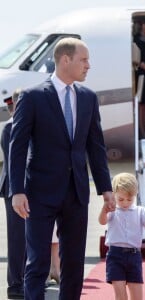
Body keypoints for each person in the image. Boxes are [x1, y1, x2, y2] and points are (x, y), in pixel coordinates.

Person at [9, 37, 115, 300]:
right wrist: (17, 191)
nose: (88, 65)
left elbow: (96, 147)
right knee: (38, 263)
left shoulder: (88, 98)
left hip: (76, 193)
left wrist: (106, 188)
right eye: (84, 60)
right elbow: (18, 146)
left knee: (74, 264)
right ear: (65, 60)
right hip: (39, 194)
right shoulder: (32, 97)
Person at [99, 172, 145, 300]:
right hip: (115, 256)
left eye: (130, 199)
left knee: (137, 296)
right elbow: (102, 221)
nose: (125, 203)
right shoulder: (113, 210)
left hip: (134, 256)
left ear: (135, 195)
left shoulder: (140, 211)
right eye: (121, 199)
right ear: (114, 195)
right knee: (120, 296)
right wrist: (104, 210)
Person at [0, 90, 26, 300]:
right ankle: (15, 285)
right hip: (14, 189)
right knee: (17, 238)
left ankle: (25, 279)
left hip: (25, 189)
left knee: (28, 237)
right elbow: (14, 162)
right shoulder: (10, 127)